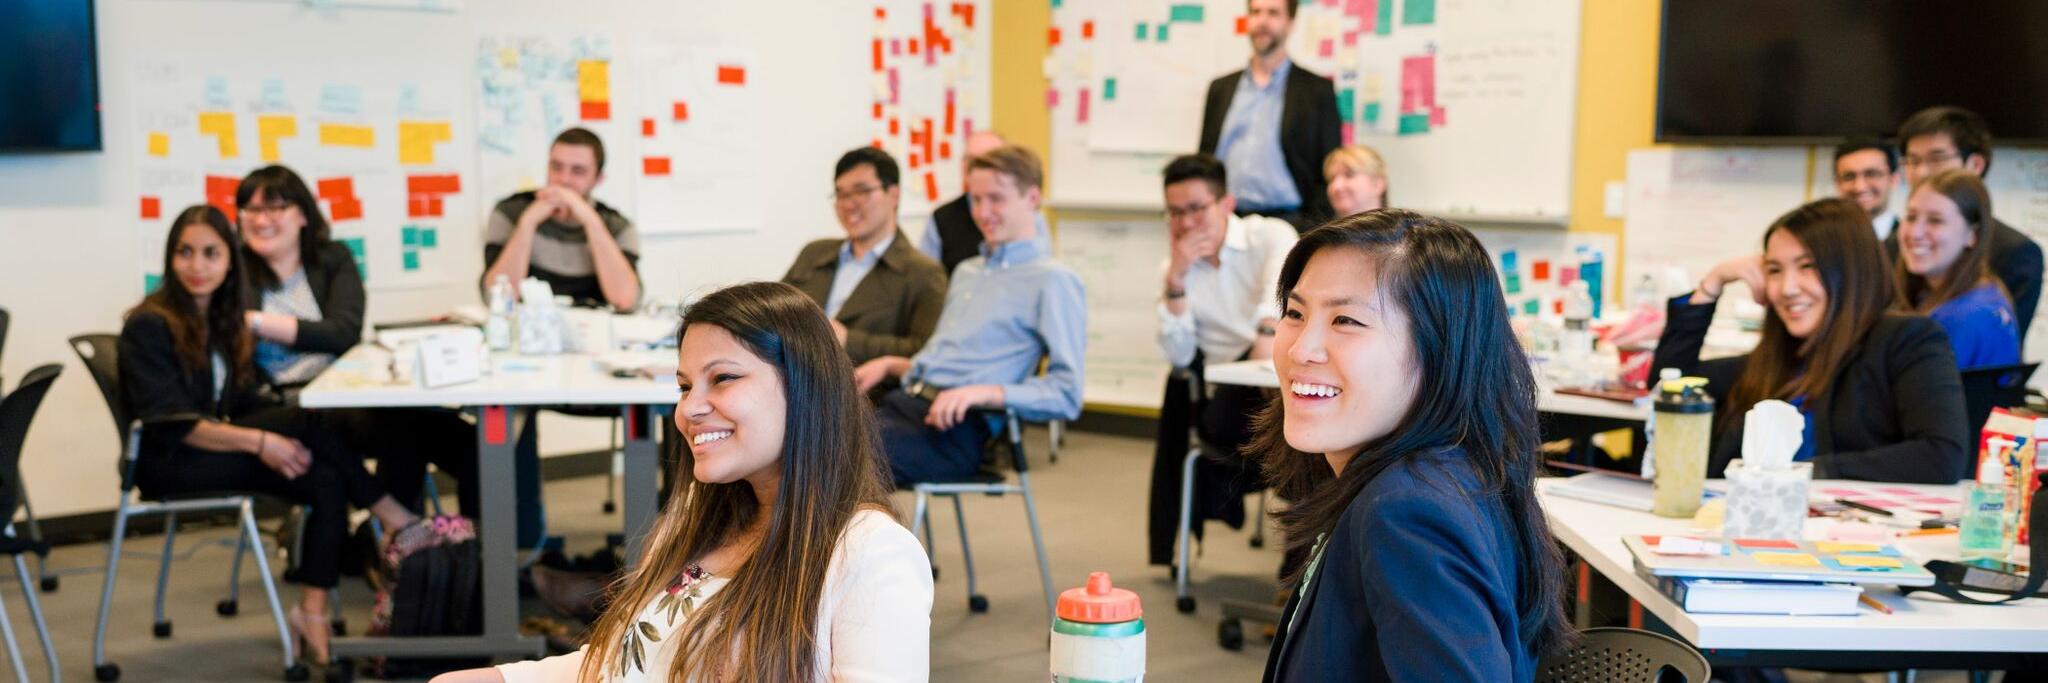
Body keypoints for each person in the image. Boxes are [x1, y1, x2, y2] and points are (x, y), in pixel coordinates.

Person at [431, 282, 933, 683]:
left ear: (807, 391)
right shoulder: (701, 516)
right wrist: (501, 677)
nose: (689, 408)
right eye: (685, 385)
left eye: (724, 379)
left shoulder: (870, 554)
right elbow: (622, 665)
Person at [1254, 210, 1571, 680]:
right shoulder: (1446, 471)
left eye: (1345, 320)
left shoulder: (1405, 511)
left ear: (1437, 350)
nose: (1301, 348)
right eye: (1296, 314)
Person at [121, 206, 421, 667]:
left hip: (214, 446)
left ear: (228, 262)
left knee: (324, 476)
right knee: (307, 422)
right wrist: (264, 443)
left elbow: (240, 405)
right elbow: (172, 423)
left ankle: (313, 613)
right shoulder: (149, 324)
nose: (197, 266)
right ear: (170, 259)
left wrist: (273, 434)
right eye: (185, 253)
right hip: (171, 460)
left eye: (210, 253)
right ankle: (397, 519)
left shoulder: (223, 321)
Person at [1654, 198, 1970, 484]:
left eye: (1808, 267)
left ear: (1851, 270)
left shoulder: (1906, 339)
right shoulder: (1779, 359)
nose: (1788, 288)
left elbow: (1941, 455)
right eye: (1774, 271)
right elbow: (1669, 384)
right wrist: (1713, 283)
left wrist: (1808, 471)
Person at [234, 165, 477, 516]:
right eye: (251, 210)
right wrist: (302, 332)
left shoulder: (332, 258)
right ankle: (401, 542)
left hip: (344, 395)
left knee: (462, 440)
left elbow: (342, 333)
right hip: (282, 408)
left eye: (274, 208)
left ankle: (478, 549)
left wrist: (256, 322)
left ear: (303, 214)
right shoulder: (233, 273)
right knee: (403, 434)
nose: (261, 220)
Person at [854, 145, 1087, 486]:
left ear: (1032, 197)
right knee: (794, 440)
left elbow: (1066, 395)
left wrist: (982, 393)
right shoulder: (968, 272)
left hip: (956, 429)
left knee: (827, 460)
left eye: (996, 198)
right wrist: (892, 364)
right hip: (905, 405)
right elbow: (949, 363)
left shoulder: (1053, 281)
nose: (983, 212)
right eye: (975, 200)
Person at [1146, 154, 1296, 567]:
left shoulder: (1269, 236)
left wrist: (1266, 335)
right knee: (1300, 439)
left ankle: (1300, 575)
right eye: (1175, 212)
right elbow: (1178, 358)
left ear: (1226, 204)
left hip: (1281, 373)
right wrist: (1175, 284)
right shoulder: (1175, 269)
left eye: (1196, 208)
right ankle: (1297, 577)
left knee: (1308, 431)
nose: (1187, 223)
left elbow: (1280, 300)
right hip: (1227, 404)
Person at [782, 147, 949, 366]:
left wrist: (849, 340)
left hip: (864, 390)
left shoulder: (923, 273)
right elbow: (776, 312)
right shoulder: (814, 253)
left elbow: (925, 351)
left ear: (893, 195)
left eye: (861, 192)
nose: (849, 204)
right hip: (794, 375)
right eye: (841, 194)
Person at [1894, 106, 2042, 335]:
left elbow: (1999, 358)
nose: (1922, 172)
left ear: (1975, 165)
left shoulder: (2016, 253)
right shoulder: (1897, 243)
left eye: (1936, 158)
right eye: (1913, 161)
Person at [1198, 0, 1342, 231]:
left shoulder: (1317, 91)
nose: (1262, 21)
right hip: (1226, 224)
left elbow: (1330, 168)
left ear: (1291, 23)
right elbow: (1204, 161)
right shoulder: (1220, 89)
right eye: (1256, 12)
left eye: (1273, 13)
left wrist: (1312, 229)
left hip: (1291, 223)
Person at [482, 127, 641, 310]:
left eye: (578, 171)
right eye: (556, 167)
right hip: (528, 331)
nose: (563, 179)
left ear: (598, 179)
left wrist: (591, 222)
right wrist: (527, 224)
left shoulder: (619, 227)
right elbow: (495, 298)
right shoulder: (509, 212)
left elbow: (625, 301)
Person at [1895, 169, 2021, 369]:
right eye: (1911, 217)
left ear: (1973, 235)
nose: (1915, 233)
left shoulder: (1962, 316)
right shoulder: (1987, 293)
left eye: (1935, 220)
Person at [919, 130, 1051, 275]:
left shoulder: (1030, 216)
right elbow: (927, 278)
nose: (983, 213)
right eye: (969, 160)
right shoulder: (942, 218)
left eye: (996, 198)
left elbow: (1043, 265)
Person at [1832, 136, 1900, 241]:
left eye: (1871, 174)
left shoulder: (1913, 242)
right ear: (1837, 183)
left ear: (1893, 180)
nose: (1860, 187)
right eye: (1849, 177)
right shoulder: (1821, 243)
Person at [1322, 144, 1389, 218]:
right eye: (1331, 179)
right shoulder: (1317, 229)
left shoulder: (1401, 228)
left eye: (1349, 175)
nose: (1336, 186)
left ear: (1377, 184)